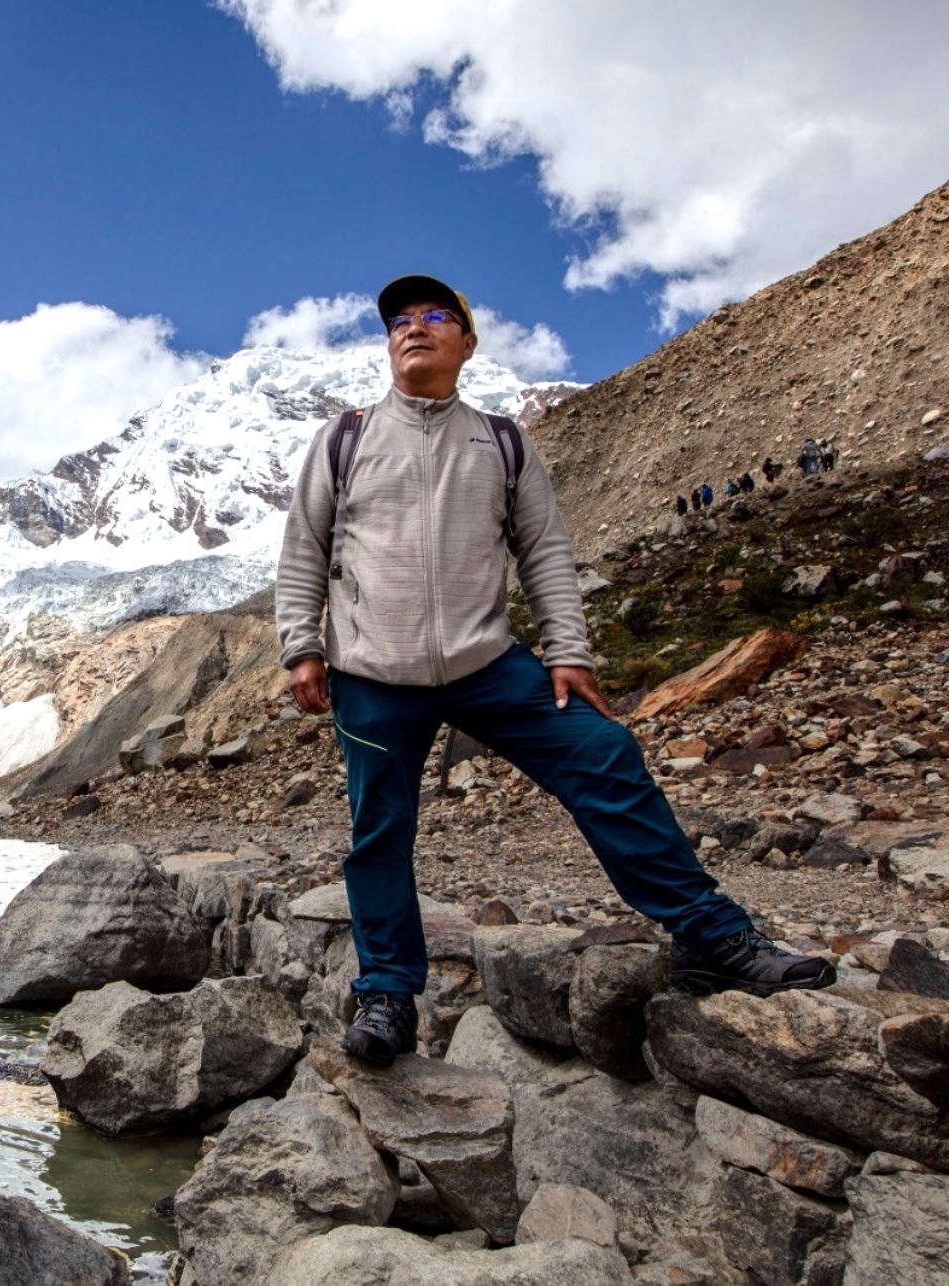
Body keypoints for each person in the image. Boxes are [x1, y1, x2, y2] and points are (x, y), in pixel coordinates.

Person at [275, 272, 834, 1068]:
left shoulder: (502, 440)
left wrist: (569, 651)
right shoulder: (347, 437)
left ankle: (712, 937)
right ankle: (389, 994)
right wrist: (301, 645)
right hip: (371, 672)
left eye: (435, 315)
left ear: (467, 341)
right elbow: (304, 548)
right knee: (379, 832)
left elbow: (544, 553)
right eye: (400, 318)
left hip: (485, 662)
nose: (413, 327)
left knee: (604, 754)